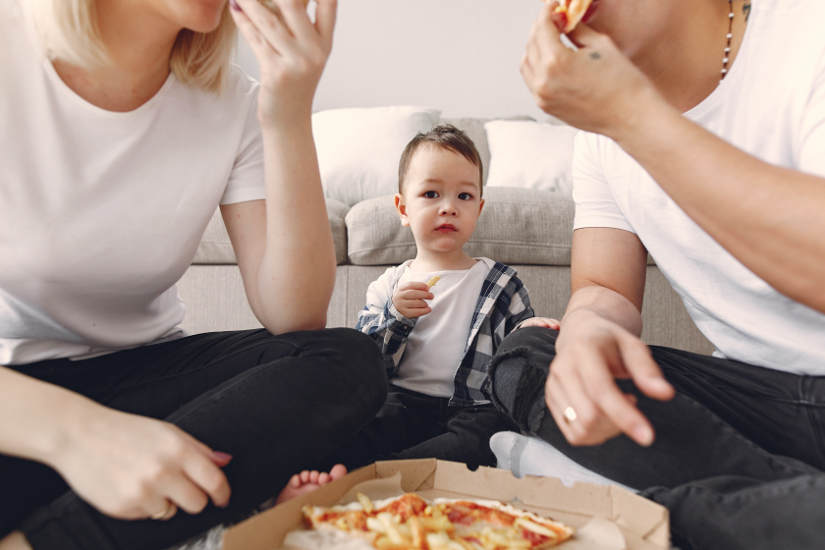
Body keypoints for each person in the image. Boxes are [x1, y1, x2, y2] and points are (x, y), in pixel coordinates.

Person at [0, 1, 387, 549]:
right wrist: (79, 435)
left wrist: (289, 110)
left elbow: (295, 316)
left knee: (346, 362)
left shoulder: (233, 99)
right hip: (16, 402)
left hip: (145, 384)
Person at [487, 0, 825, 548]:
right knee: (529, 353)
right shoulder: (597, 137)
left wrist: (633, 117)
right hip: (754, 397)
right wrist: (588, 332)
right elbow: (604, 287)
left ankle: (657, 510)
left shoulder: (807, 33)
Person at [337, 125, 559, 470]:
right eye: (430, 194)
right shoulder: (389, 285)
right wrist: (395, 316)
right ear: (402, 208)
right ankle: (382, 468)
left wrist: (532, 329)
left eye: (464, 197)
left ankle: (392, 469)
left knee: (486, 438)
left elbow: (518, 352)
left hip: (472, 409)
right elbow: (366, 365)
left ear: (479, 209)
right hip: (402, 402)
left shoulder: (499, 282)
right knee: (358, 427)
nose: (449, 208)